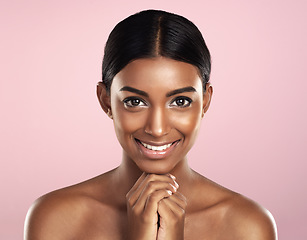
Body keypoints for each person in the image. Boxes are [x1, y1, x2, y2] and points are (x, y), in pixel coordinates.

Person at [24, 9, 277, 240]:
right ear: (106, 100)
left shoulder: (248, 227)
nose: (157, 129)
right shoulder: (54, 220)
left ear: (206, 101)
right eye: (135, 101)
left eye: (180, 101)